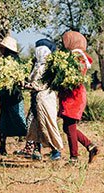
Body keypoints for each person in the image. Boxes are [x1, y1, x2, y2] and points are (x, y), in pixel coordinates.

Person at [15, 39, 64, 161]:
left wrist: (27, 86)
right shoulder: (37, 66)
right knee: (34, 125)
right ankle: (37, 150)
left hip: (45, 100)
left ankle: (55, 150)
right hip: (37, 100)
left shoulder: (45, 68)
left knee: (47, 124)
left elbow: (40, 85)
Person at [60, 31, 99, 163]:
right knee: (67, 127)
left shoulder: (77, 57)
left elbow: (73, 77)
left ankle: (74, 157)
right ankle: (90, 146)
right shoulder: (80, 56)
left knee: (69, 125)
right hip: (74, 94)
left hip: (73, 96)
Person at [0, 36, 27, 155]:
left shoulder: (11, 62)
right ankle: (31, 144)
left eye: (2, 47)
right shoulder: (14, 61)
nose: (0, 49)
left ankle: (4, 148)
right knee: (16, 120)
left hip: (11, 97)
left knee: (8, 120)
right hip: (13, 96)